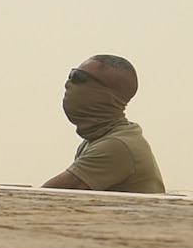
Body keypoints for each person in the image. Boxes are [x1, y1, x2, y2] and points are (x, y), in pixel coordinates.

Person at [41, 55, 165, 193]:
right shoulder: (100, 140)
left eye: (79, 77)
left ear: (106, 94)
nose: (68, 83)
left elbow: (49, 195)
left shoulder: (116, 145)